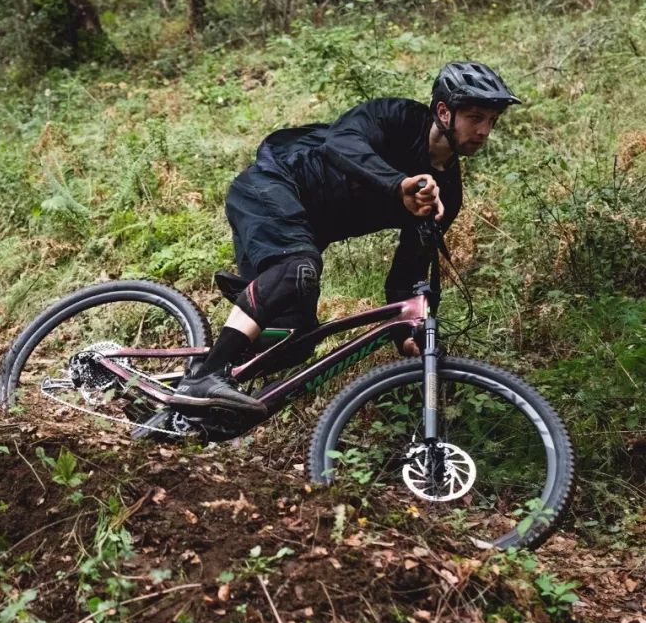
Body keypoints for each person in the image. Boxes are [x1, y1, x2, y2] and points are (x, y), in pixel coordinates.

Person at [140, 62, 521, 437]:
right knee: (299, 267)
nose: (484, 130)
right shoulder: (397, 117)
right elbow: (340, 142)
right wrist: (398, 184)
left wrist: (408, 334)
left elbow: (407, 277)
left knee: (294, 342)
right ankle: (207, 377)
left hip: (302, 231)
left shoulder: (446, 195)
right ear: (443, 111)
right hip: (272, 185)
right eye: (475, 117)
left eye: (492, 120)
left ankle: (189, 403)